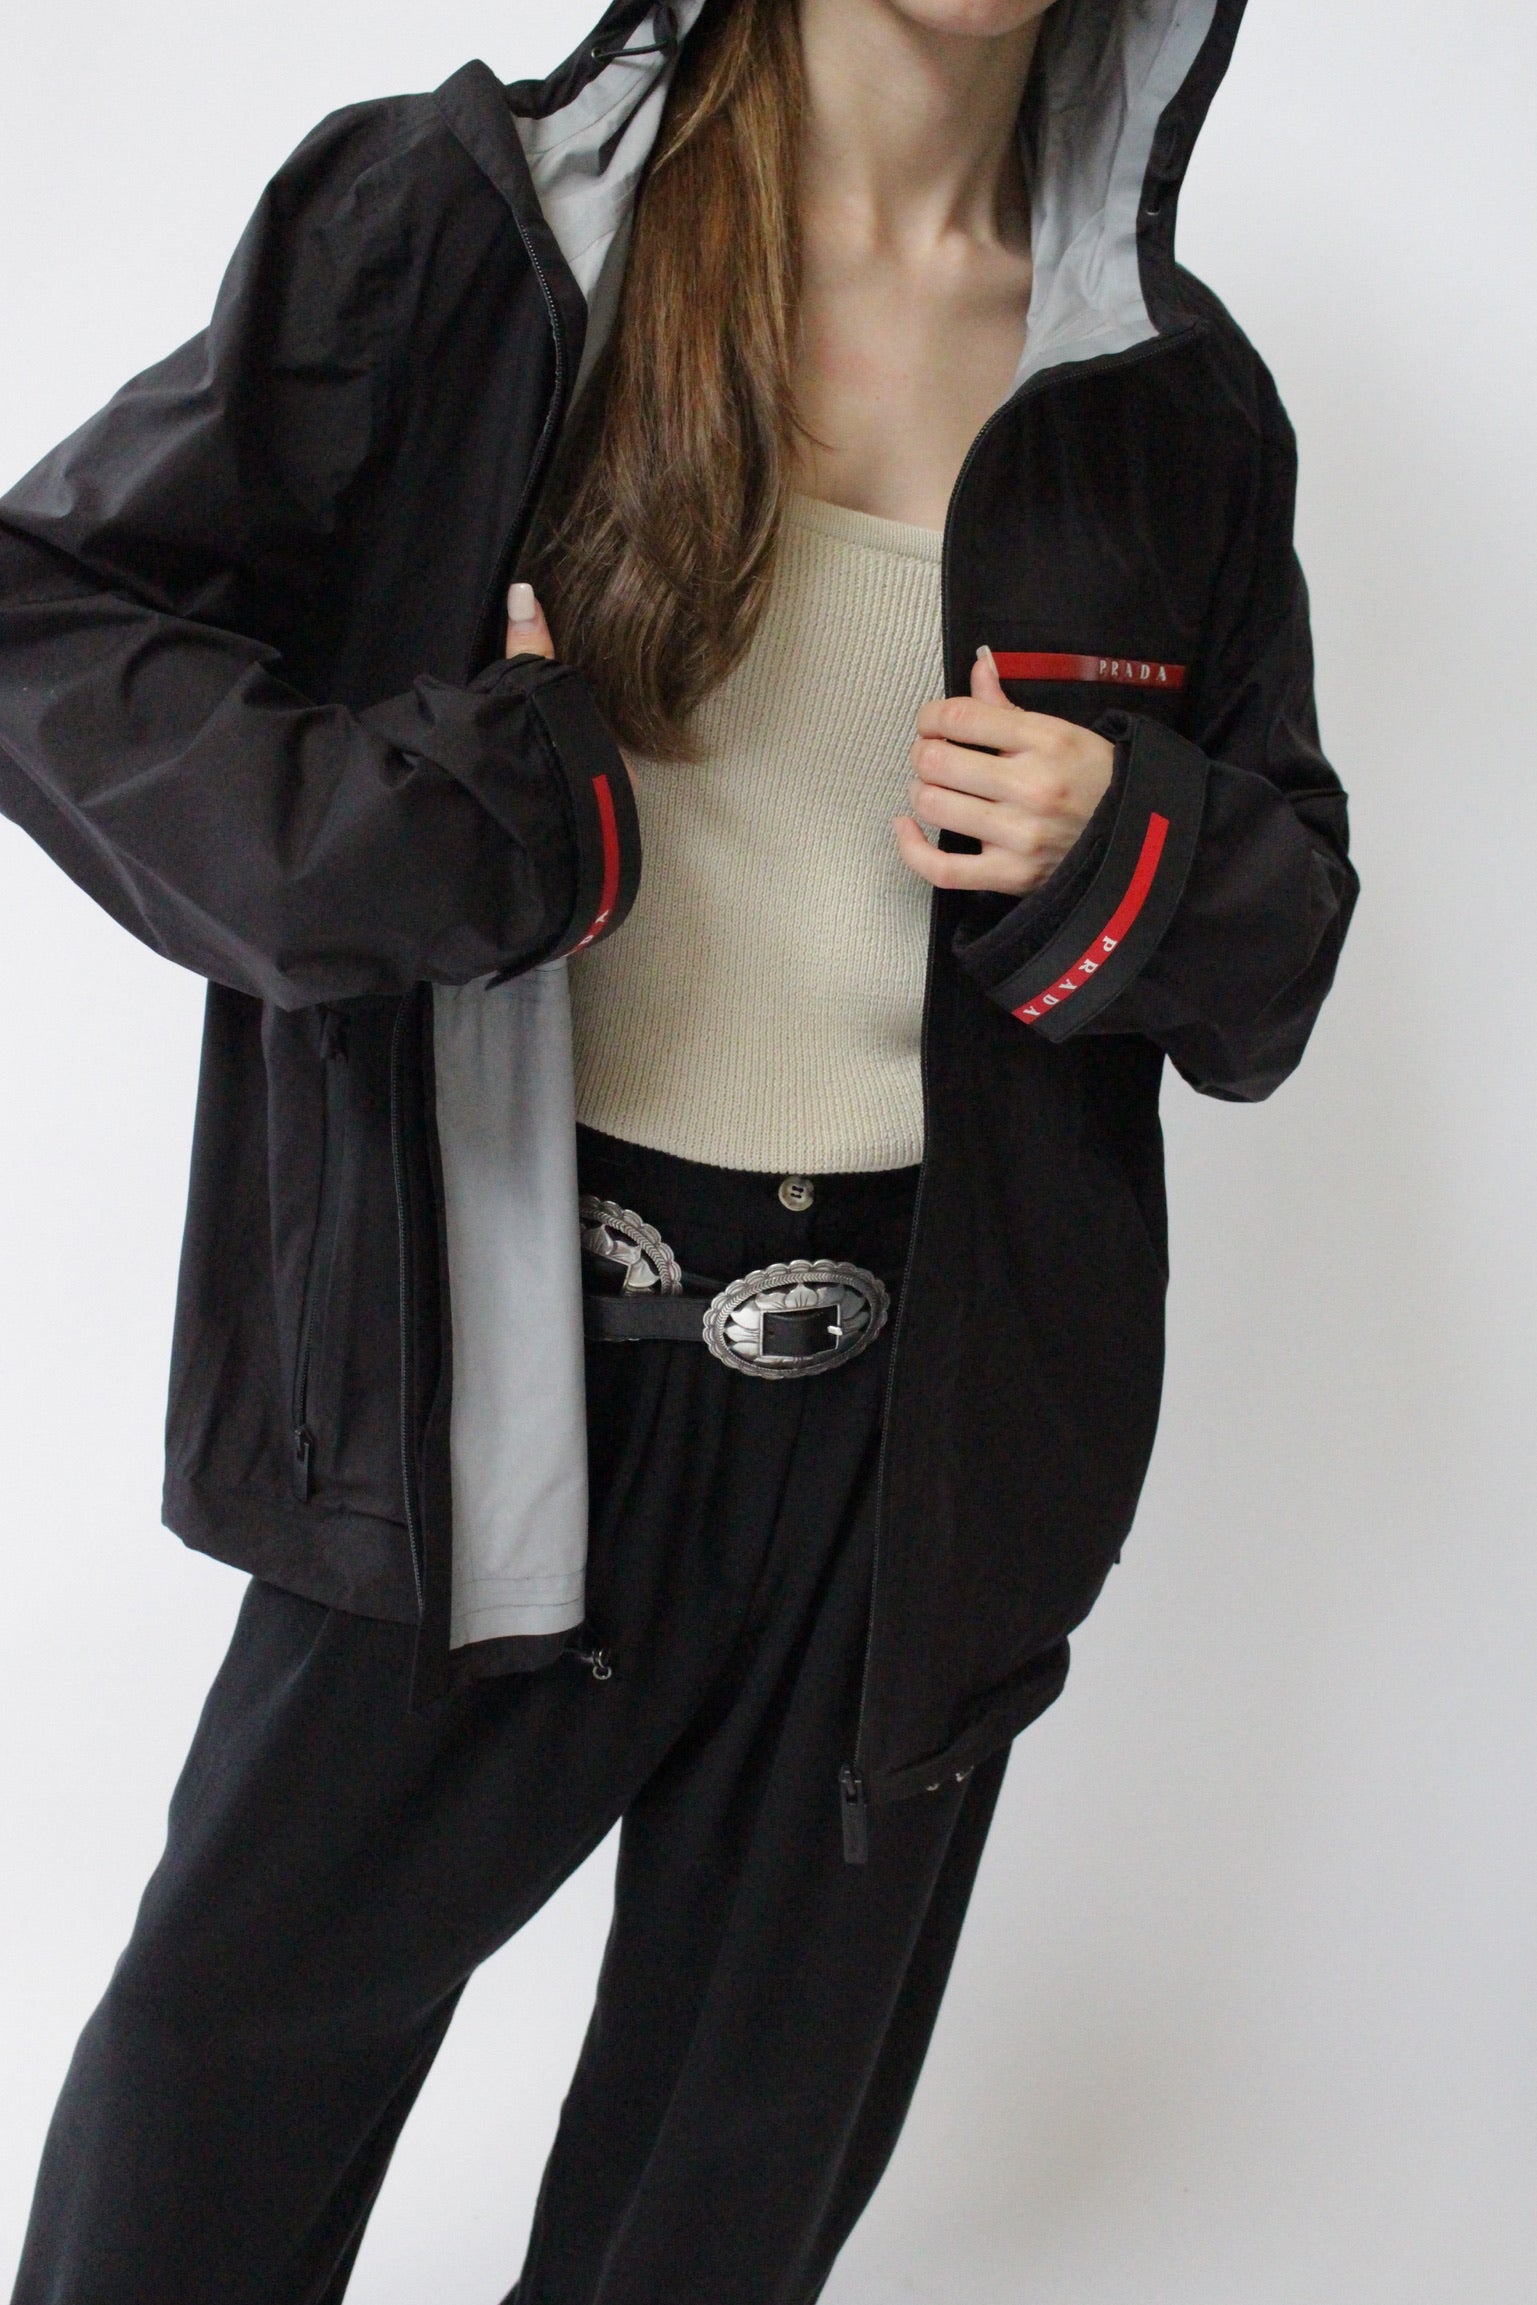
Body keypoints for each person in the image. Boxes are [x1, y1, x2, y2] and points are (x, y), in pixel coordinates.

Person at [0, 0, 1357, 2296]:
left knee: (709, 2234)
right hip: (484, 1385)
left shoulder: (1168, 405)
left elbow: (1278, 960)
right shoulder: (470, 237)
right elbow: (53, 620)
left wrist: (1134, 836)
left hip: (914, 1469)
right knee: (195, 2163)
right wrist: (429, 830)